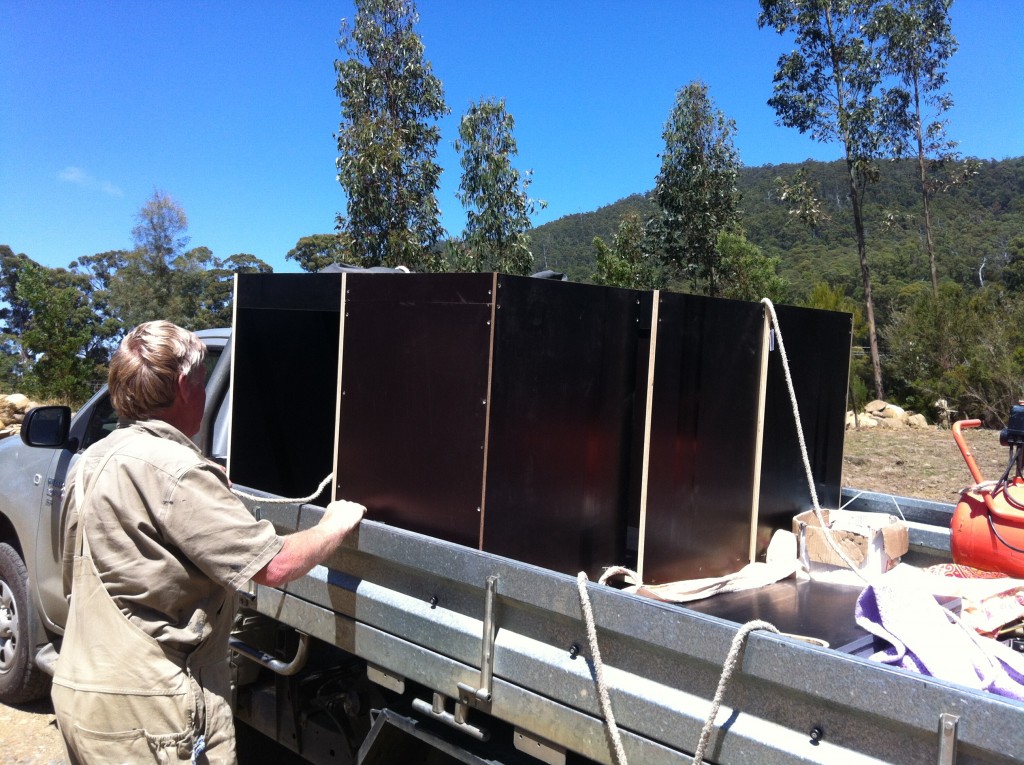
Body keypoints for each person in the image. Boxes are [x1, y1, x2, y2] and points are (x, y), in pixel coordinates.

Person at [51, 320, 365, 764]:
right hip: (151, 709)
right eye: (200, 381)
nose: (201, 392)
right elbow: (273, 567)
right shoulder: (176, 472)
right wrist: (334, 523)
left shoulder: (95, 458)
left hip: (82, 691)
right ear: (183, 386)